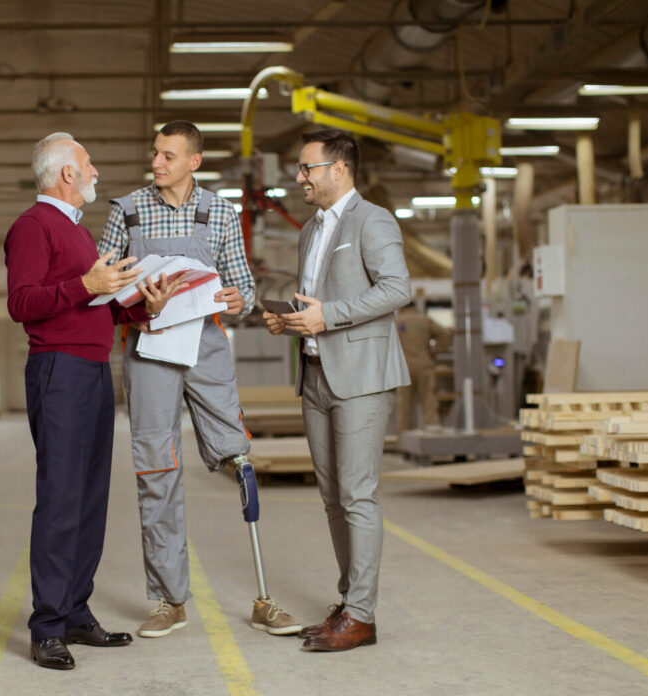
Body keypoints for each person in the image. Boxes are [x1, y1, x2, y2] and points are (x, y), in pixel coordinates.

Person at [98, 120, 300, 639]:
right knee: (156, 469)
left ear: (194, 162)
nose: (157, 162)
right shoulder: (127, 210)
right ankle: (169, 600)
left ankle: (264, 598)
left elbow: (243, 287)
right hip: (148, 349)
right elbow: (103, 283)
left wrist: (241, 299)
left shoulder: (219, 211)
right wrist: (138, 299)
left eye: (169, 155)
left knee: (238, 456)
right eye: (155, 153)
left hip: (206, 345)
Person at [4, 132, 184, 670]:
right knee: (61, 497)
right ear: (66, 174)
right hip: (57, 369)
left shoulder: (77, 233)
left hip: (91, 369)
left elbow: (95, 308)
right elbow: (22, 303)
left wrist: (142, 307)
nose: (97, 173)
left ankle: (76, 612)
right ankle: (47, 627)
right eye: (89, 165)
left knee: (89, 498)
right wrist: (86, 282)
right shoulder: (34, 227)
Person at [262, 128, 411, 652]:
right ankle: (350, 604)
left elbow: (397, 289)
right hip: (317, 375)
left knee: (358, 496)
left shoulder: (373, 220)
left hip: (362, 377)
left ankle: (363, 616)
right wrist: (292, 319)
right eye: (301, 169)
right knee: (333, 500)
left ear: (339, 169)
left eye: (308, 168)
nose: (300, 177)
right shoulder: (310, 230)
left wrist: (327, 318)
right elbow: (318, 300)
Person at [396, 300, 452, 433]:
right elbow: (446, 335)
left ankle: (404, 442)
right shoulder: (425, 320)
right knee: (429, 404)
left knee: (404, 406)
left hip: (404, 368)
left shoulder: (396, 322)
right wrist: (435, 351)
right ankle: (432, 440)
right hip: (424, 366)